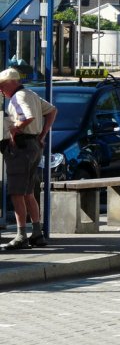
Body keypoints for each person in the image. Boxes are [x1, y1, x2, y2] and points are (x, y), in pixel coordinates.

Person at [0, 68, 57, 250]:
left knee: (17, 193)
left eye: (1, 86)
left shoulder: (19, 97)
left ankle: (21, 235)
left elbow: (28, 117)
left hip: (21, 148)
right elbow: (52, 110)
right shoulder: (30, 94)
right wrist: (41, 136)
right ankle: (37, 233)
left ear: (11, 83)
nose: (1, 90)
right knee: (28, 192)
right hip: (33, 146)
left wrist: (15, 128)